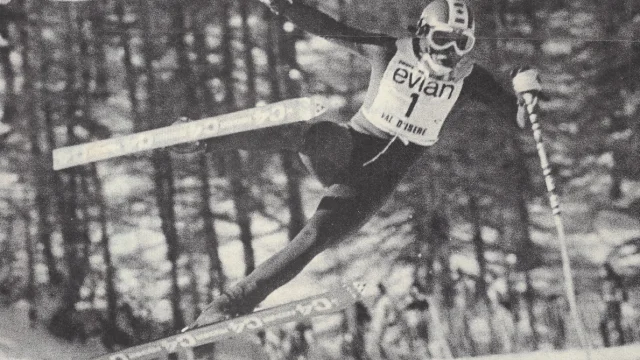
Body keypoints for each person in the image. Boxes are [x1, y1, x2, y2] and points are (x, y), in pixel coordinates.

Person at [185, 0, 542, 330]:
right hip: (348, 149)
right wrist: (283, 6)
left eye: (461, 43)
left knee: (314, 238)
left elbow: (520, 121)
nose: (449, 52)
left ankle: (225, 308)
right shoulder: (387, 50)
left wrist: (526, 91)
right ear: (422, 32)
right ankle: (204, 139)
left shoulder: (469, 80)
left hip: (372, 184)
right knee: (317, 135)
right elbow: (327, 26)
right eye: (442, 38)